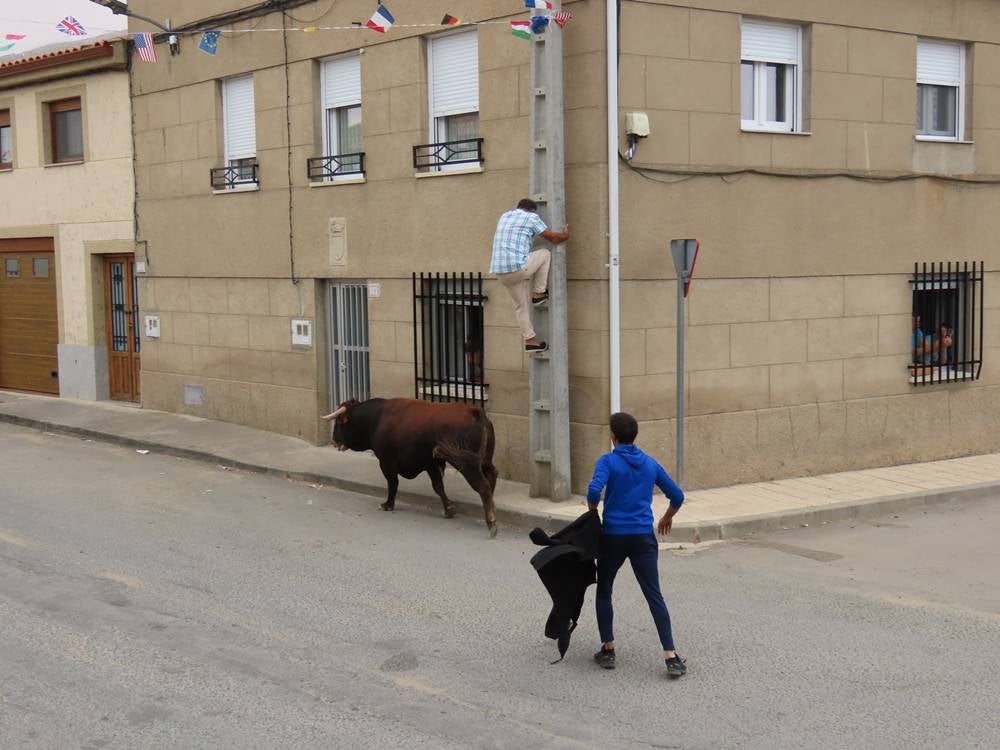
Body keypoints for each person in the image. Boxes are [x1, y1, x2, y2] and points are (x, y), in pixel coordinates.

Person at [587, 412, 687, 677]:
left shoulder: (607, 462)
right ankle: (671, 656)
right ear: (635, 436)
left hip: (613, 537)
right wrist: (666, 517)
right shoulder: (650, 464)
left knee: (605, 589)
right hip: (643, 536)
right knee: (653, 594)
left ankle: (608, 650)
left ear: (613, 437)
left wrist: (592, 511)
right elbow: (677, 495)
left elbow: (593, 491)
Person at [489, 198, 569, 353]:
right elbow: (553, 238)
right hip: (517, 268)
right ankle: (539, 293)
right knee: (545, 253)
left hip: (500, 272)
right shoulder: (531, 217)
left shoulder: (505, 216)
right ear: (533, 210)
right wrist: (565, 235)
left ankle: (530, 341)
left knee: (521, 306)